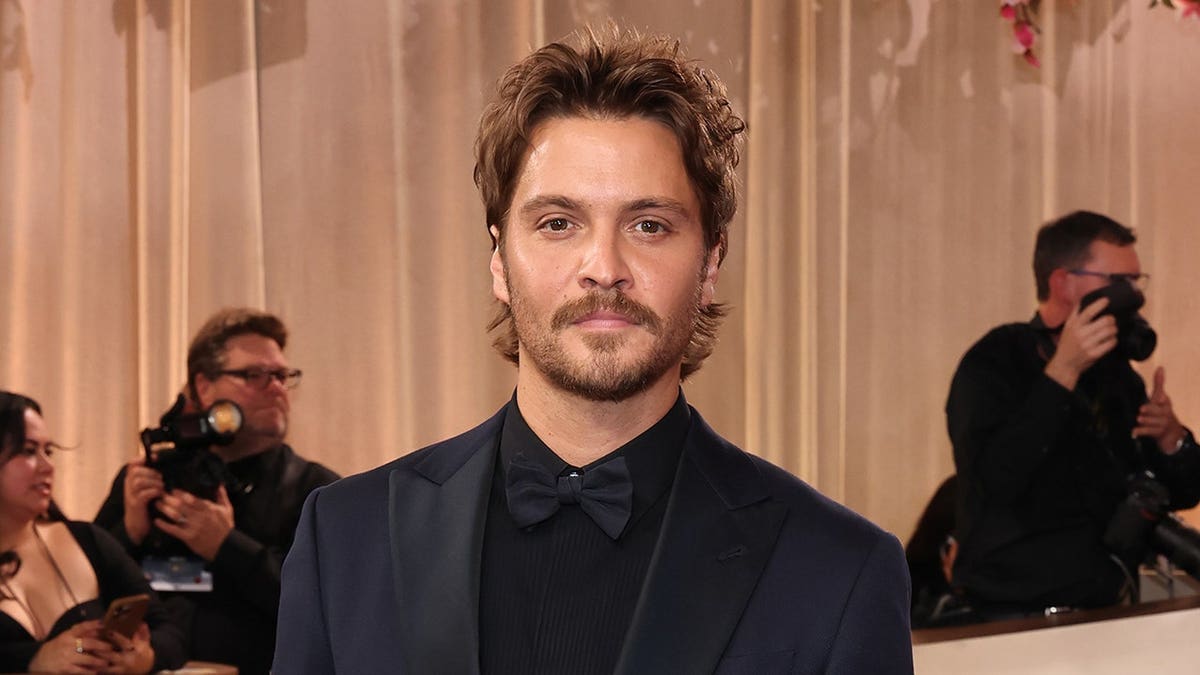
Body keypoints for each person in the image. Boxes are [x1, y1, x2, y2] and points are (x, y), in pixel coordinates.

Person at [274, 26, 912, 674]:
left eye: (649, 225)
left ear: (711, 260)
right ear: (498, 257)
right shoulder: (345, 540)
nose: (603, 266)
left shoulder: (838, 571)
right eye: (558, 223)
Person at [947, 210, 1200, 617]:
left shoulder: (1119, 376)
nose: (1135, 296)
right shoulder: (995, 361)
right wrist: (1062, 373)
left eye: (1138, 281)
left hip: (1107, 611)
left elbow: (1184, 492)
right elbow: (994, 481)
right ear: (1062, 282)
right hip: (1011, 618)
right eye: (1120, 283)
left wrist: (1173, 439)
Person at [94, 308, 339, 674]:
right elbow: (82, 595)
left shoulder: (317, 491)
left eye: (282, 375)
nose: (275, 387)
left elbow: (329, 606)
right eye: (255, 375)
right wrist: (127, 535)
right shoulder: (149, 478)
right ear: (204, 387)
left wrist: (228, 546)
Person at [0, 392, 186, 673]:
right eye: (28, 451)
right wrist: (34, 658)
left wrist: (143, 657)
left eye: (48, 451)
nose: (48, 467)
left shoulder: (88, 541)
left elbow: (170, 633)